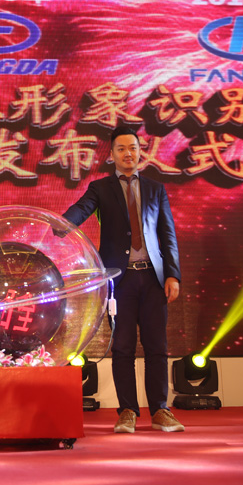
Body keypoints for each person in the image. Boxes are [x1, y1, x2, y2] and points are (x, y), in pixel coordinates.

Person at [62, 125, 184, 433]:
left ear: (140, 152)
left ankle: (160, 410)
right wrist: (60, 224)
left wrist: (173, 274)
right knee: (123, 348)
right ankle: (127, 410)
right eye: (121, 149)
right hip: (120, 282)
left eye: (133, 148)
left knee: (157, 347)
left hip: (153, 279)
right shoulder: (101, 188)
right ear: (112, 154)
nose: (128, 153)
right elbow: (81, 210)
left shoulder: (156, 189)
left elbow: (167, 234)